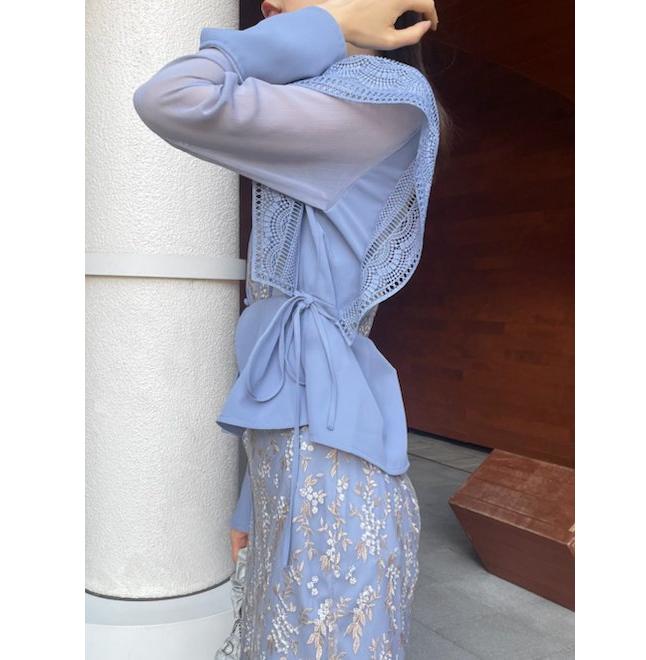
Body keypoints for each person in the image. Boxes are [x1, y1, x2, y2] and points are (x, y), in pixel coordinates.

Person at [133, 0, 443, 656]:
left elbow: (172, 95)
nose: (268, 3)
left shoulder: (375, 103)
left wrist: (329, 24)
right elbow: (287, 361)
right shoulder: (323, 109)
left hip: (333, 493)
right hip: (308, 468)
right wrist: (254, 502)